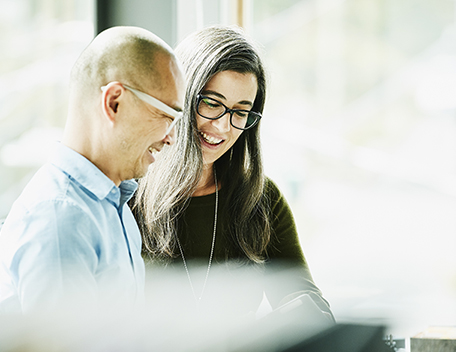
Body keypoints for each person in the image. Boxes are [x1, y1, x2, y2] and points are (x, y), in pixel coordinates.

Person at [133, 25, 333, 320]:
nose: (223, 127)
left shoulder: (260, 198)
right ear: (180, 98)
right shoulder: (126, 195)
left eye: (241, 111)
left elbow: (312, 310)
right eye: (212, 104)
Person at [0, 26, 185, 314]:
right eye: (165, 115)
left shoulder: (113, 204)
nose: (171, 137)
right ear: (114, 103)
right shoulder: (61, 219)